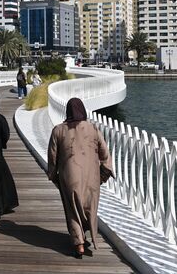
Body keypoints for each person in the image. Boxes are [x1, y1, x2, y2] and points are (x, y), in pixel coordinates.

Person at [47, 97, 112, 258]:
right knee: (89, 207)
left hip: (69, 177)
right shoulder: (93, 128)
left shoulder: (58, 130)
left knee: (73, 209)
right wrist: (104, 173)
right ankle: (87, 237)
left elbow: (52, 156)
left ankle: (79, 243)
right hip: (91, 177)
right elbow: (105, 154)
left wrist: (53, 175)